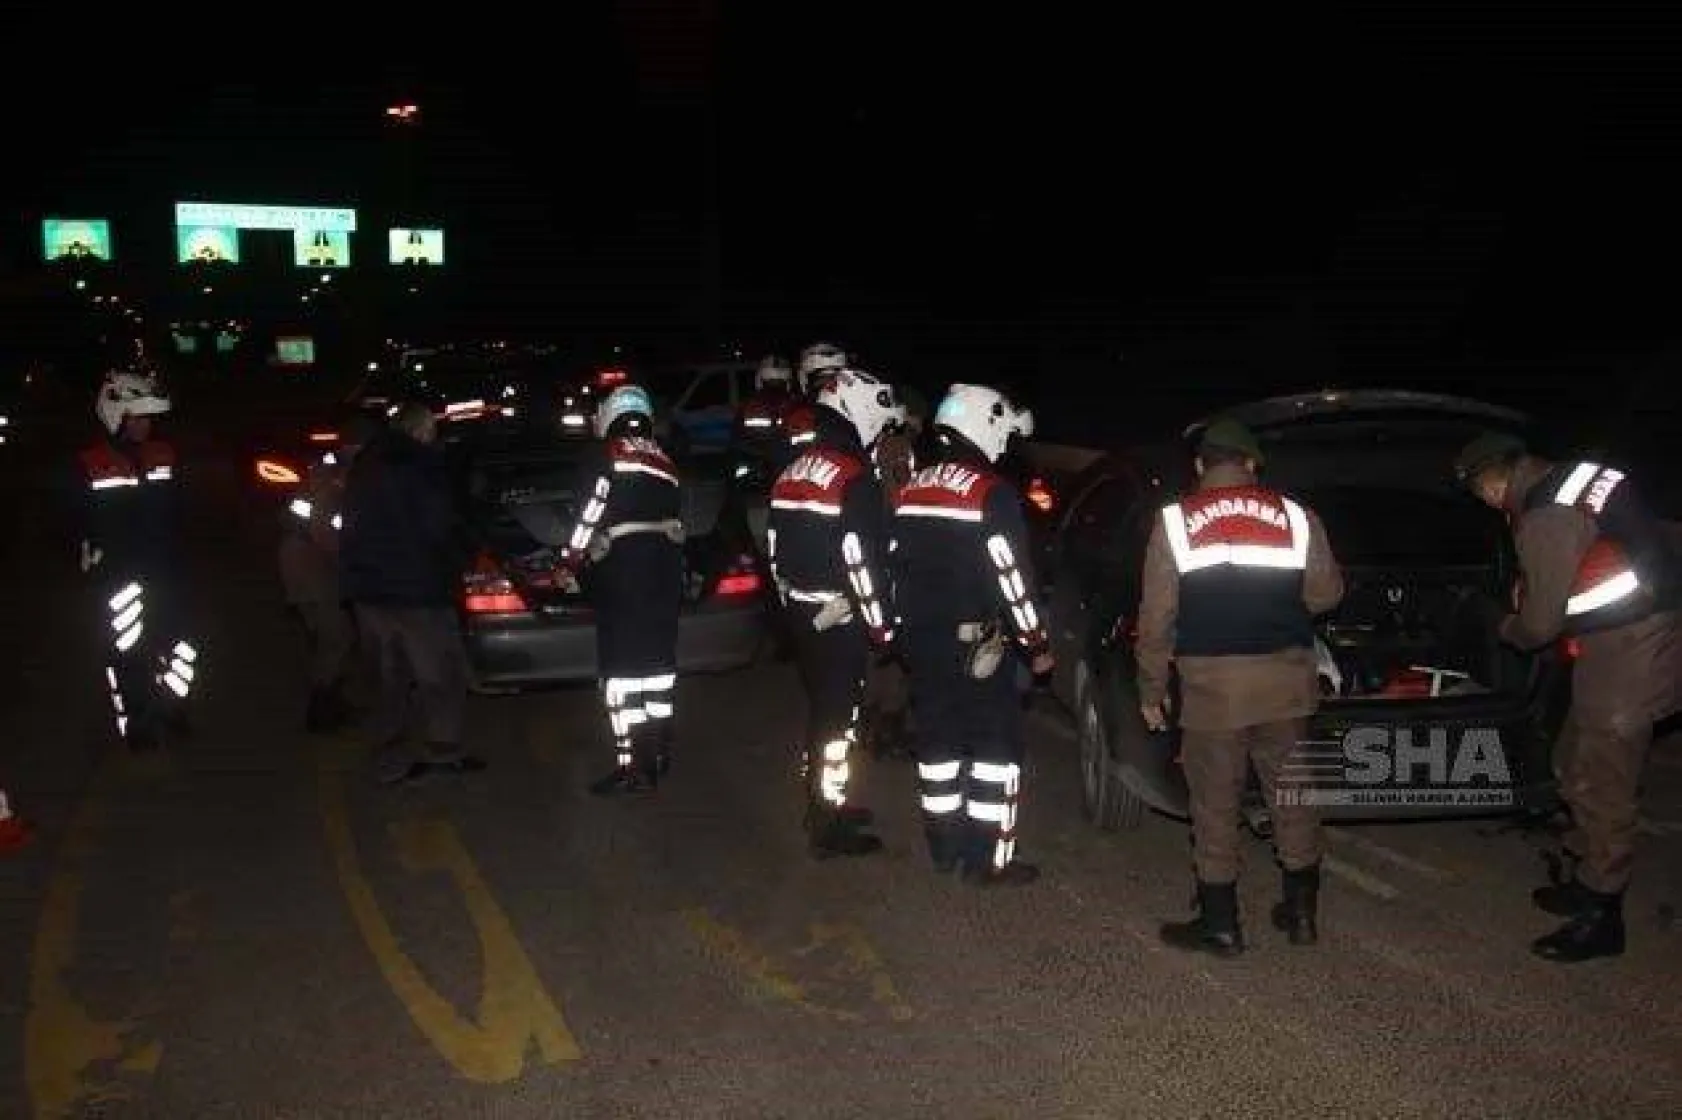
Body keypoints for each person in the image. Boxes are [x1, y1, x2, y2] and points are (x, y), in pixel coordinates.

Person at [1454, 432, 1682, 962]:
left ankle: (1602, 916)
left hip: (1636, 643)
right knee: (1571, 760)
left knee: (1603, 778)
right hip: (1631, 634)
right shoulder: (1575, 479)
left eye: (1480, 494)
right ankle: (1587, 877)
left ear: (1492, 481)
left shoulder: (1545, 516)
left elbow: (1538, 627)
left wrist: (1498, 622)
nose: (1486, 504)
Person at [1137, 419, 1344, 956]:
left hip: (1214, 693)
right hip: (1287, 686)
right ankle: (1301, 916)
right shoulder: (1297, 516)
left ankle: (1221, 927)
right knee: (1292, 796)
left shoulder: (1175, 522)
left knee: (1215, 805)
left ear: (1202, 466)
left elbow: (1157, 616)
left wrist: (1150, 688)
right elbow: (1325, 594)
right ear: (1253, 465)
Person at [894, 383, 1050, 885]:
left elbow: (894, 563)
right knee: (996, 753)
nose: (1005, 445)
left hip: (922, 643)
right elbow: (1012, 578)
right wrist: (1036, 643)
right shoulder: (990, 492)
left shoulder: (913, 486)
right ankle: (990, 860)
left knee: (938, 744)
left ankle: (945, 847)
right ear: (983, 426)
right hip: (977, 647)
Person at [769, 366, 904, 856]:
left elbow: (773, 547)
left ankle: (825, 801)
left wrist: (789, 608)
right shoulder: (853, 478)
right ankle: (828, 825)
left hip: (804, 615)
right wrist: (880, 626)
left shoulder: (794, 468)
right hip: (839, 617)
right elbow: (860, 561)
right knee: (837, 722)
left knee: (823, 714)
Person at [340, 402, 481, 785]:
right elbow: (439, 526)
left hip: (368, 589)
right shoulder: (422, 466)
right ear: (421, 430)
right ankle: (443, 750)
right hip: (417, 590)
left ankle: (387, 757)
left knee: (389, 677)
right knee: (440, 673)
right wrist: (460, 559)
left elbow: (348, 524)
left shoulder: (365, 465)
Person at [567, 385, 686, 796]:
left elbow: (589, 512)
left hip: (623, 572)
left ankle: (631, 766)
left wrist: (572, 560)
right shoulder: (664, 458)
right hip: (664, 572)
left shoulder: (606, 453)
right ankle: (658, 749)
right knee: (658, 668)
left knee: (620, 675)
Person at [78, 370, 198, 752]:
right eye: (138, 417)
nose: (146, 425)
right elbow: (71, 518)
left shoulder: (165, 453)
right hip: (120, 575)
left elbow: (183, 508)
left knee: (180, 645)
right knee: (128, 652)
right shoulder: (90, 462)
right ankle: (139, 725)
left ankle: (173, 708)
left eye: (149, 417)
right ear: (116, 417)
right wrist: (88, 555)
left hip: (168, 567)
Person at [278, 410, 380, 733]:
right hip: (310, 567)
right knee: (335, 637)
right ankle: (322, 711)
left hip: (310, 563)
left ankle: (331, 703)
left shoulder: (333, 472)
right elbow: (326, 533)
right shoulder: (334, 478)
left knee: (333, 638)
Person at [859, 384, 927, 758]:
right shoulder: (899, 449)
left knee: (877, 642)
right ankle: (887, 727)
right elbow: (902, 502)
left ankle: (873, 723)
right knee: (893, 647)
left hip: (874, 551)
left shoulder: (873, 443)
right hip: (891, 556)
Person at [781, 342, 849, 461]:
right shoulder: (799, 414)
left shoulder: (798, 414)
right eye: (821, 379)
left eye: (832, 378)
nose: (827, 385)